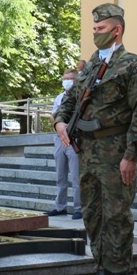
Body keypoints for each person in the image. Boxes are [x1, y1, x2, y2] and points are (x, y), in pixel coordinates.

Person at [54, 3, 137, 275]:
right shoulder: (91, 66)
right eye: (94, 29)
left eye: (100, 29)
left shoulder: (131, 66)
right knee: (93, 217)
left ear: (116, 30)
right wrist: (60, 121)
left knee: (117, 219)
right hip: (88, 153)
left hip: (116, 153)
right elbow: (69, 101)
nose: (95, 33)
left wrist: (130, 155)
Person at [49, 69, 82, 219]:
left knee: (76, 176)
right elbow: (53, 116)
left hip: (74, 138)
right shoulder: (59, 97)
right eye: (65, 78)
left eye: (70, 79)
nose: (66, 81)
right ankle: (60, 206)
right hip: (60, 138)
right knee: (60, 176)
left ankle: (78, 208)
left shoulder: (81, 96)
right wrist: (60, 123)